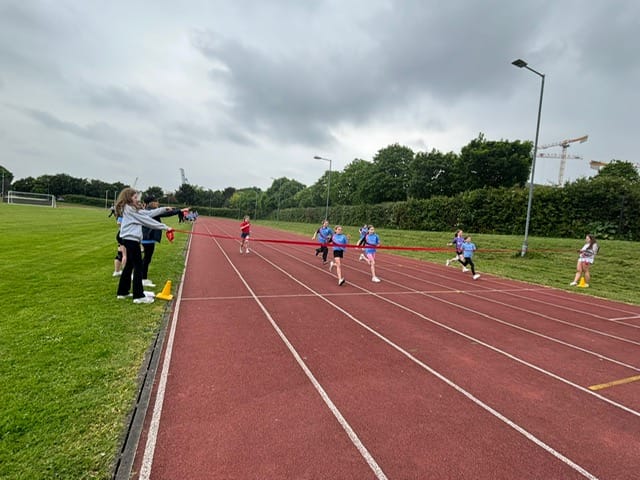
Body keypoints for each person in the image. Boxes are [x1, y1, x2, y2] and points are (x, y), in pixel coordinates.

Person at [115, 188, 174, 304]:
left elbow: (148, 213)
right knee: (138, 266)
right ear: (128, 198)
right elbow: (146, 220)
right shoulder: (130, 209)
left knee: (129, 266)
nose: (137, 199)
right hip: (131, 240)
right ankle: (138, 296)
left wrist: (163, 209)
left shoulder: (130, 208)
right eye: (135, 197)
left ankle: (122, 292)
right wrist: (165, 227)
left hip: (129, 240)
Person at [141, 195, 180, 287]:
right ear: (151, 203)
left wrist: (179, 210)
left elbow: (166, 213)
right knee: (146, 259)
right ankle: (143, 278)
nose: (158, 203)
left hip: (146, 237)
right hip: (148, 238)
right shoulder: (151, 212)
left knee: (145, 259)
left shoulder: (148, 211)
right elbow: (166, 213)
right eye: (156, 202)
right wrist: (179, 211)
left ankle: (138, 275)